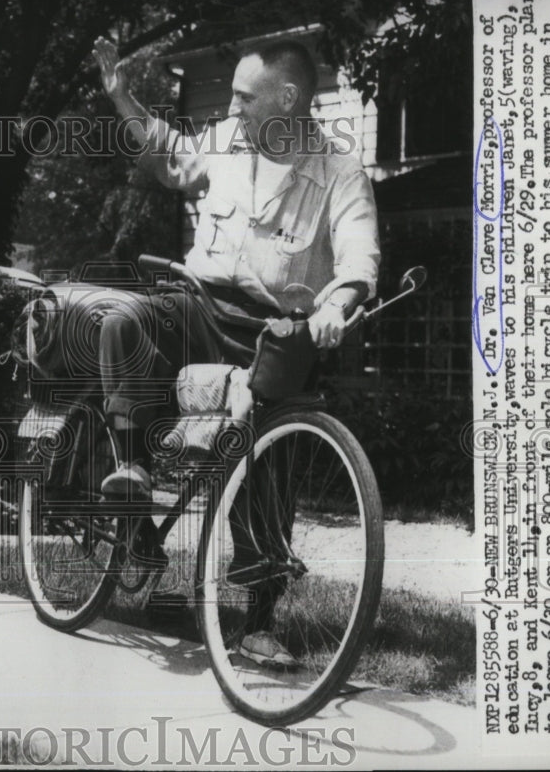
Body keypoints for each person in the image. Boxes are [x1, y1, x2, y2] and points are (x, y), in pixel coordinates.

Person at [92, 37, 380, 666]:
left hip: (274, 328)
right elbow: (171, 158)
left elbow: (360, 254)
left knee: (266, 451)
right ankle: (135, 504)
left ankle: (258, 620)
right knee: (125, 322)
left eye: (244, 97)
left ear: (289, 99)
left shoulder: (339, 172)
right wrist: (122, 97)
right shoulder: (227, 140)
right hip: (198, 303)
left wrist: (336, 304)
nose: (233, 107)